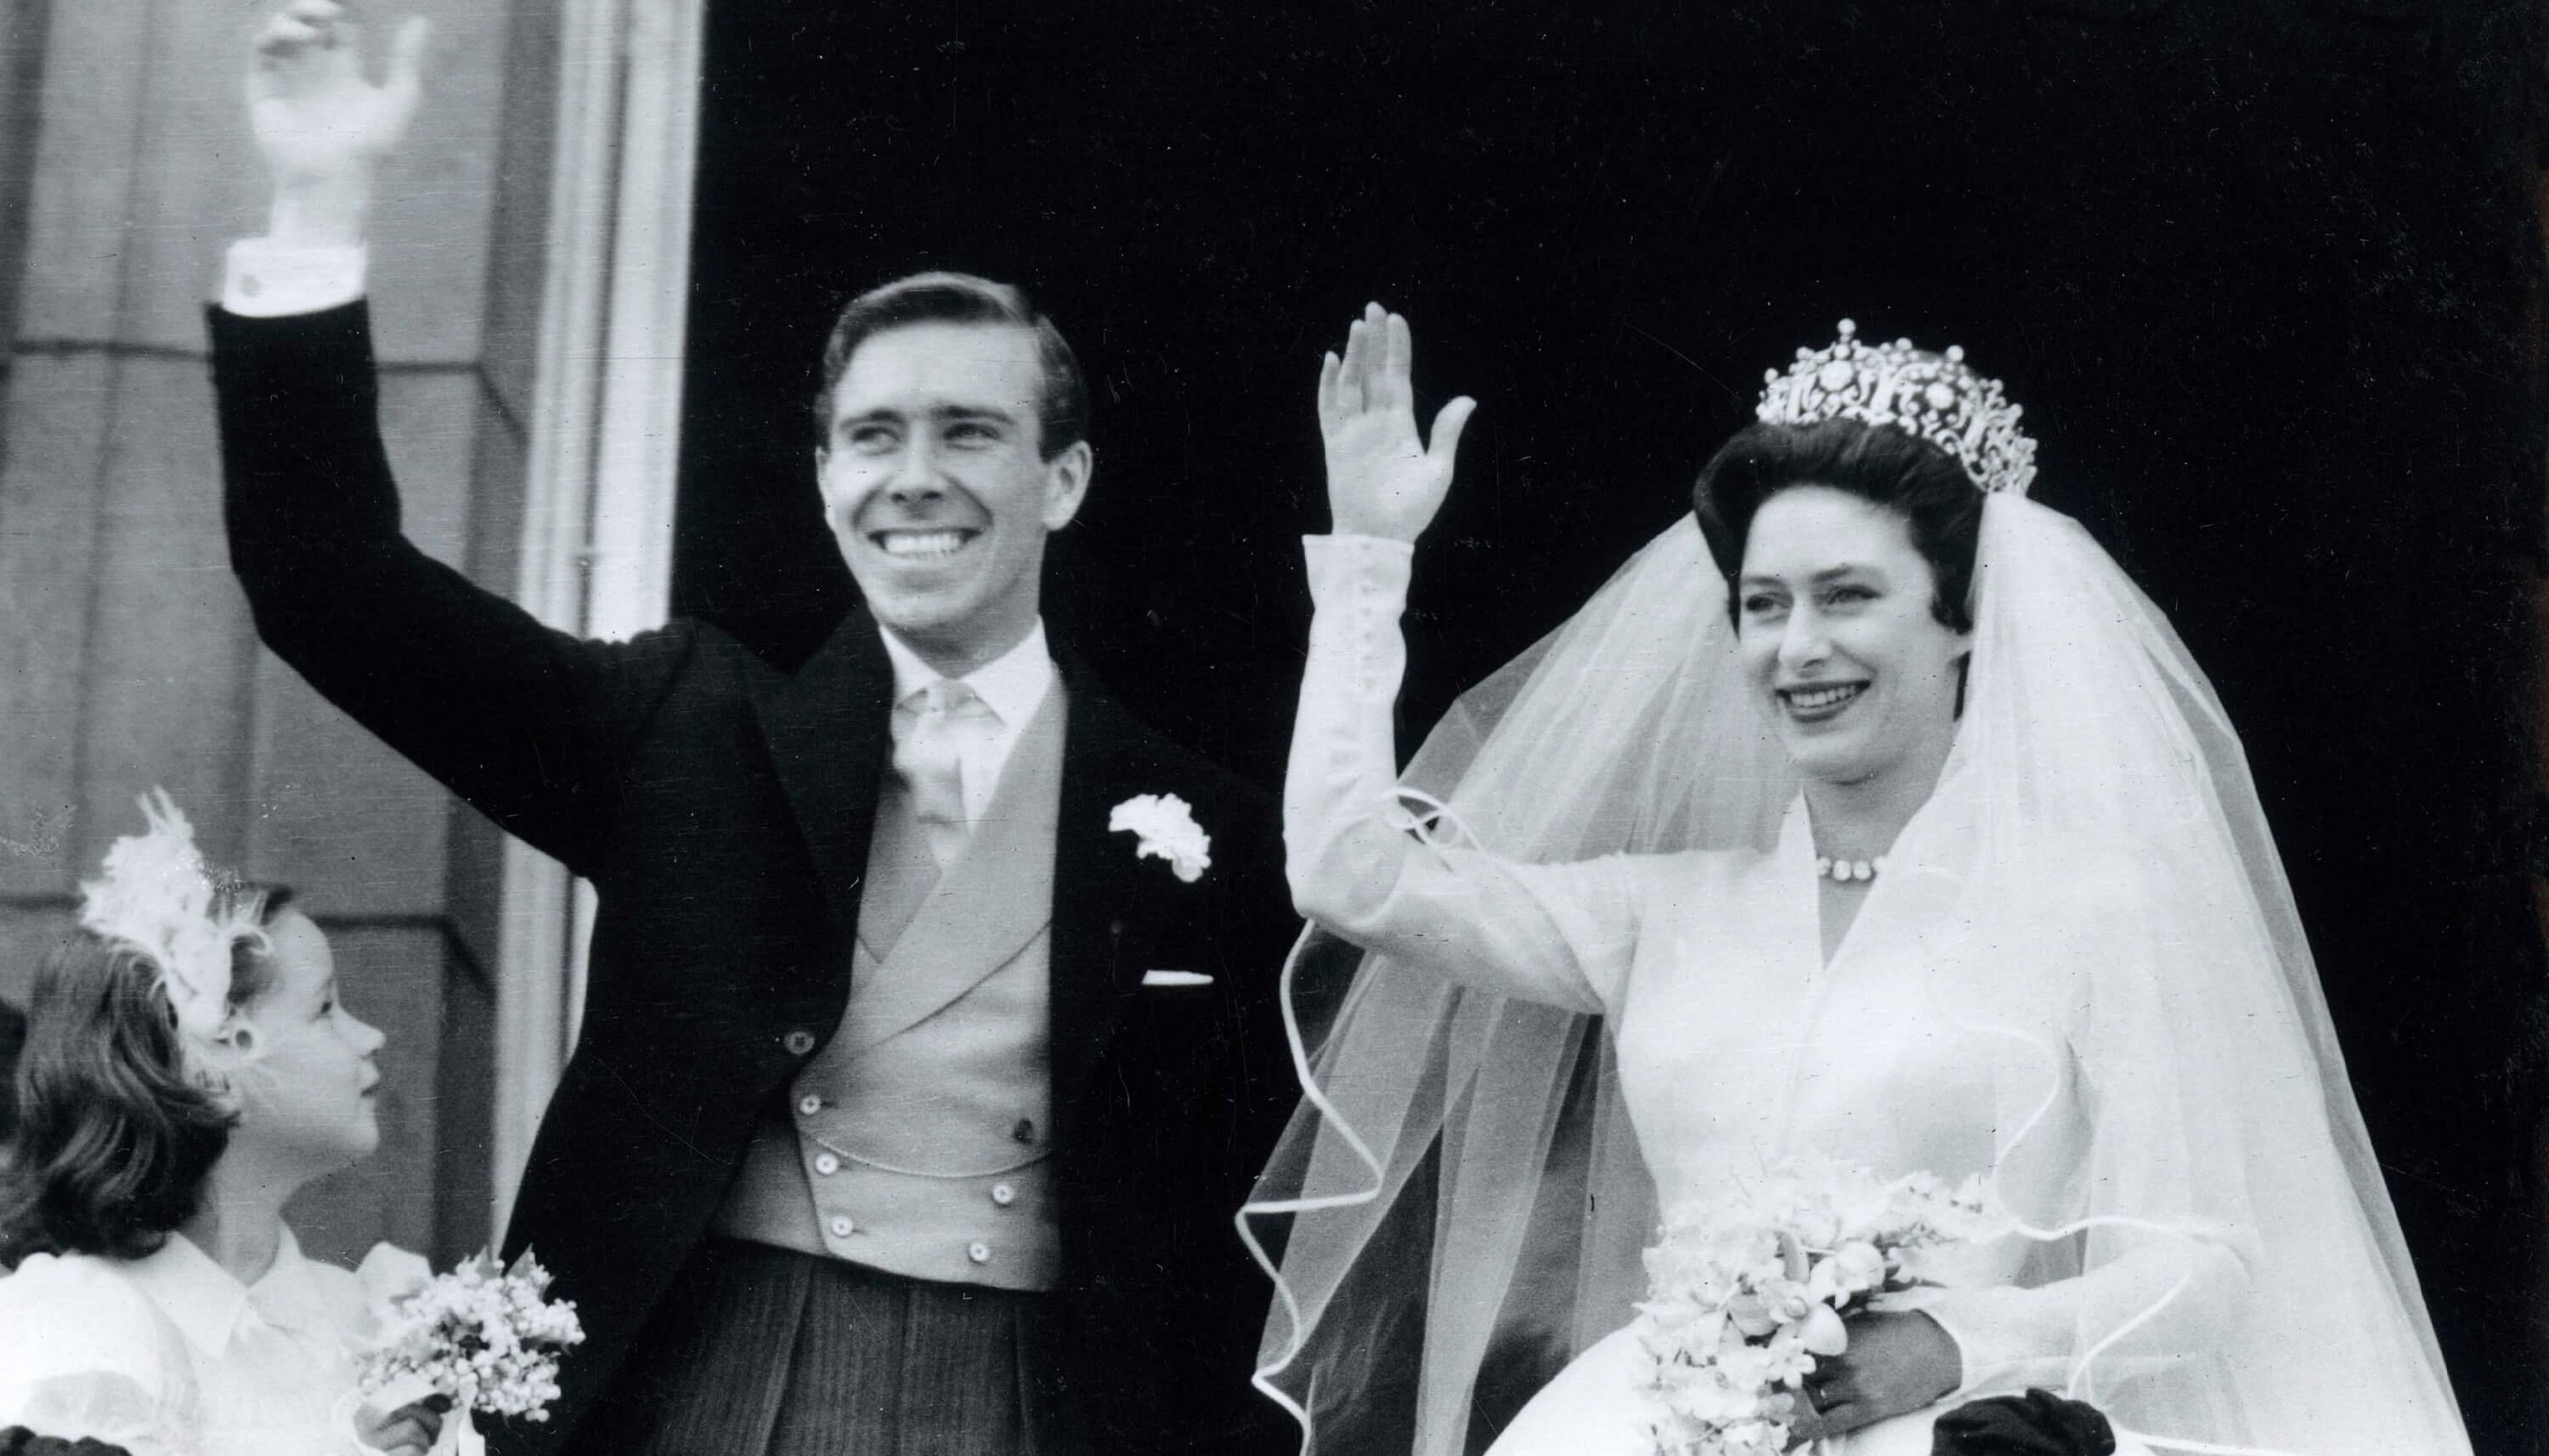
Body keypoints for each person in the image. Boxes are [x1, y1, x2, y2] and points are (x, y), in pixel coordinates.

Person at [210, 6, 1303, 1454]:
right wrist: (317, 201)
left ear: (1068, 478)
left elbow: (1245, 1213)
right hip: (707, 1375)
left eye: (971, 432)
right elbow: (329, 587)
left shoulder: (1200, 814)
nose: (916, 477)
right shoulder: (687, 724)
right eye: (874, 433)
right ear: (823, 472)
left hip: (1041, 1401)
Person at [1248, 307, 2473, 1454]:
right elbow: (1351, 876)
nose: (1798, 648)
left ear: (1961, 620)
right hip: (1656, 1418)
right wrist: (1366, 561)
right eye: (1763, 605)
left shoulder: (2088, 907)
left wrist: (1959, 1340)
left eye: (1849, 597)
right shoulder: (1658, 908)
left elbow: (2209, 1260)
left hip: (1951, 1429)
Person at [0, 793, 444, 1456]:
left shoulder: (370, 1317)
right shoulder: (85, 1322)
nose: (370, 1036)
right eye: (325, 1009)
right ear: (209, 1070)